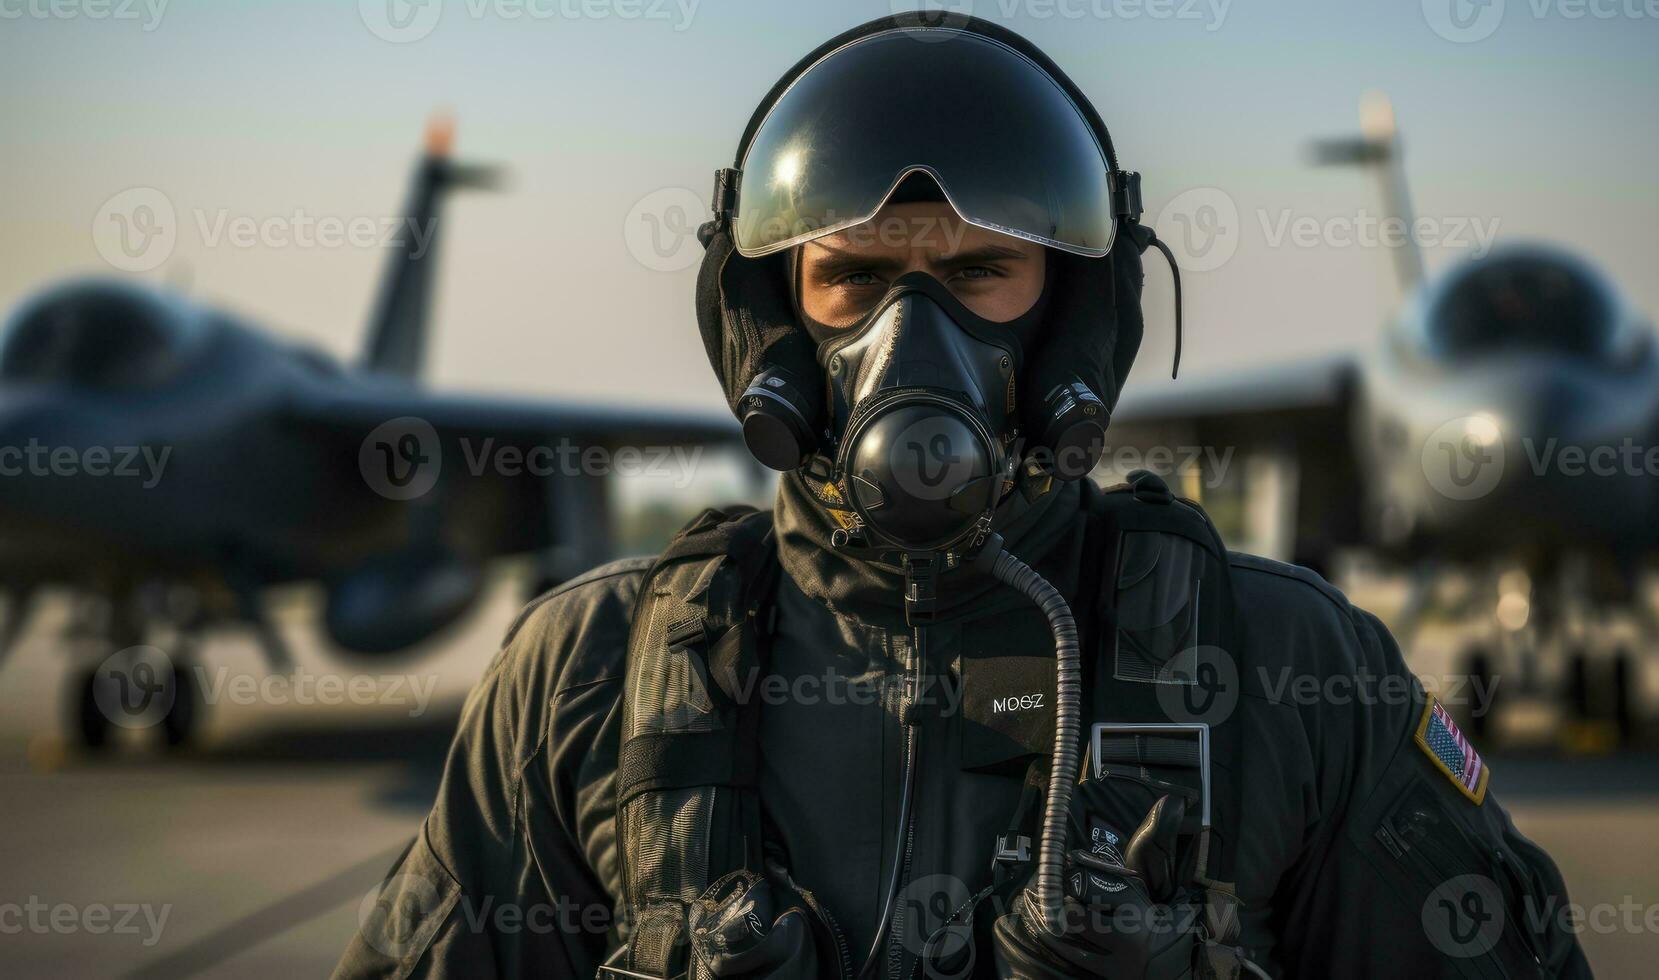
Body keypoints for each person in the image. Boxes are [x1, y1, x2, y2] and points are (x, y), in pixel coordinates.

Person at [336, 13, 1591, 979]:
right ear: (764, 319)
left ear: (1073, 322)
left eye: (979, 272)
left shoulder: (1288, 667)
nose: (909, 333)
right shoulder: (586, 676)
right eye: (855, 278)